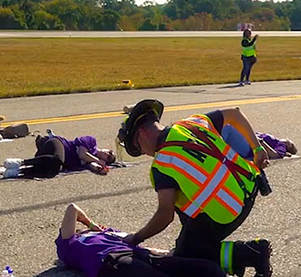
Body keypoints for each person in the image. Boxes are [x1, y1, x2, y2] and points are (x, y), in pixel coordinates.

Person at [117, 99, 273, 277]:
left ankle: (252, 252)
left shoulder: (162, 164)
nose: (144, 153)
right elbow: (235, 114)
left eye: (138, 147)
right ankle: (240, 258)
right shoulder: (192, 124)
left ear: (142, 133)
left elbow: (165, 215)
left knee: (184, 258)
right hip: (249, 187)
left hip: (226, 210)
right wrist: (257, 148)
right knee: (187, 246)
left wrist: (136, 238)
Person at [56, 203, 226, 277]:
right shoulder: (70, 246)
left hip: (138, 254)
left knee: (207, 269)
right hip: (112, 262)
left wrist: (167, 253)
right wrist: (90, 224)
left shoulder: (109, 233)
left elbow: (137, 244)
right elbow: (72, 209)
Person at [1, 134, 116, 178]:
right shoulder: (91, 141)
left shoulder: (91, 161)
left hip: (54, 159)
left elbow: (91, 165)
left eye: (109, 158)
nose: (107, 154)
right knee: (57, 161)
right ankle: (20, 162)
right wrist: (97, 160)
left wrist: (99, 169)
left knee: (52, 171)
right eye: (110, 152)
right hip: (58, 144)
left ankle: (18, 172)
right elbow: (82, 153)